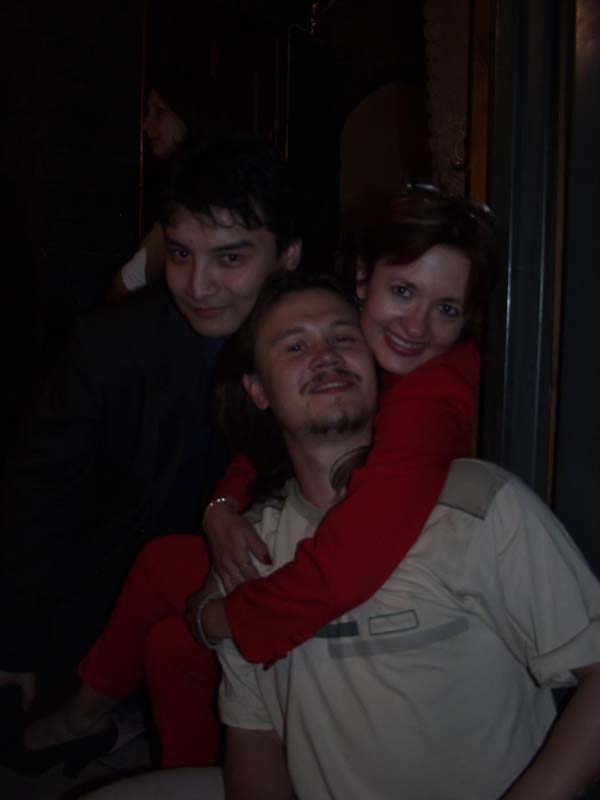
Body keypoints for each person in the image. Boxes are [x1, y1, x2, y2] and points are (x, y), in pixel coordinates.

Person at [8, 186, 488, 771]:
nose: (416, 324)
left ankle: (85, 715)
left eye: (447, 309)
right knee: (168, 644)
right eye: (405, 292)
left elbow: (351, 564)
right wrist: (222, 505)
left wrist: (220, 618)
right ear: (364, 280)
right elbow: (268, 447)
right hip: (331, 548)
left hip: (397, 585)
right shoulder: (362, 337)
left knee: (165, 577)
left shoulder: (429, 394)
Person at [200, 271, 600, 799]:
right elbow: (255, 736)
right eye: (295, 346)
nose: (326, 356)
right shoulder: (247, 548)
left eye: (344, 337)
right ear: (258, 390)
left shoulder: (479, 505)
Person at [0, 137, 302, 760]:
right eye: (181, 253)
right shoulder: (110, 345)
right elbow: (39, 495)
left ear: (288, 257)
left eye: (230, 257)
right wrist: (15, 643)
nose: (198, 285)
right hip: (107, 599)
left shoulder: (320, 345)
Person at [108, 63, 229, 301]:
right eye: (148, 112)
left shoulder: (200, 193)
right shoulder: (182, 184)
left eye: (160, 112)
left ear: (189, 114)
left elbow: (125, 286)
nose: (146, 124)